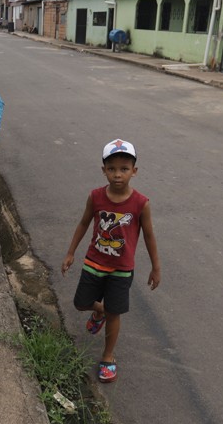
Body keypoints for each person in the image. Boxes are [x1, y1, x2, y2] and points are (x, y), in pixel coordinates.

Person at [61, 139, 161, 383]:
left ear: (134, 171)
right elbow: (84, 223)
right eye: (112, 168)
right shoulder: (95, 197)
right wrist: (71, 252)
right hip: (93, 263)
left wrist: (155, 267)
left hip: (121, 270)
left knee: (115, 313)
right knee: (81, 303)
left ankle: (108, 356)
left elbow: (149, 235)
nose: (118, 174)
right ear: (103, 170)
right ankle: (100, 312)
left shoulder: (141, 203)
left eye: (124, 169)